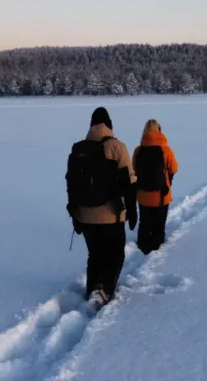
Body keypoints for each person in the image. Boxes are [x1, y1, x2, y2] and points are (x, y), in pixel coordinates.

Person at [65, 107, 136, 306]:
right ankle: (103, 290)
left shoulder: (79, 150)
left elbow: (71, 184)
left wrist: (75, 215)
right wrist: (132, 210)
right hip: (111, 214)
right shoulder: (116, 147)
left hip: (85, 214)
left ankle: (91, 289)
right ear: (110, 125)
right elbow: (129, 183)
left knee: (94, 254)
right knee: (115, 255)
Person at [132, 119, 178, 254]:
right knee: (159, 223)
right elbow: (174, 168)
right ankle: (157, 249)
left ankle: (142, 246)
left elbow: (134, 169)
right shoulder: (166, 150)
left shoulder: (138, 150)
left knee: (144, 223)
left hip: (142, 194)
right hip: (162, 195)